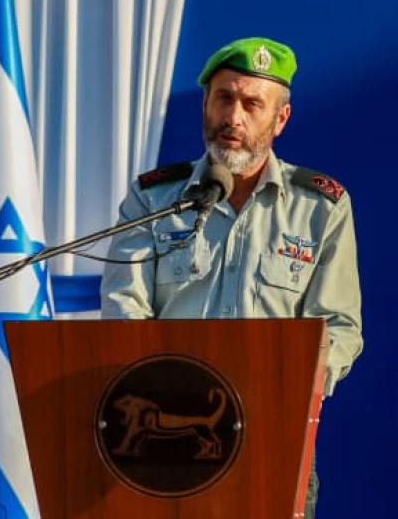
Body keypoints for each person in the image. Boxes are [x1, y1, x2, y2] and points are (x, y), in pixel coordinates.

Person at [100, 36, 364, 517]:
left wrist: (301, 382)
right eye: (223, 98)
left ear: (279, 119)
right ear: (205, 103)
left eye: (251, 104)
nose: (233, 118)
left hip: (273, 437)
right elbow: (124, 310)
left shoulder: (320, 208)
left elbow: (339, 327)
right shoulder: (153, 200)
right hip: (165, 444)